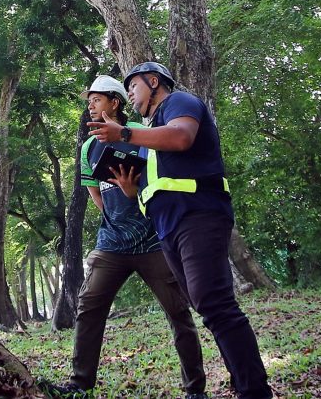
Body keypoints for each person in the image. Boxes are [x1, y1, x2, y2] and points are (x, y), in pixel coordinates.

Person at [88, 63, 273, 399]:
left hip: (198, 213)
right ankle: (244, 383)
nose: (130, 93)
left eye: (134, 86)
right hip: (167, 225)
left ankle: (254, 391)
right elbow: (150, 184)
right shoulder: (147, 135)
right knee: (206, 306)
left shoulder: (178, 103)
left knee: (214, 302)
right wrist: (131, 189)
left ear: (154, 81)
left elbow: (182, 136)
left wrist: (124, 134)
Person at [43, 76, 208, 399]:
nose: (90, 105)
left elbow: (158, 183)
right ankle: (79, 384)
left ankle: (195, 390)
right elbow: (97, 196)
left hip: (152, 242)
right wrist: (116, 214)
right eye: (88, 100)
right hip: (111, 244)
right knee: (89, 305)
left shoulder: (142, 136)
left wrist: (133, 194)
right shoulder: (89, 146)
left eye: (96, 99)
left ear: (115, 102)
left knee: (178, 312)